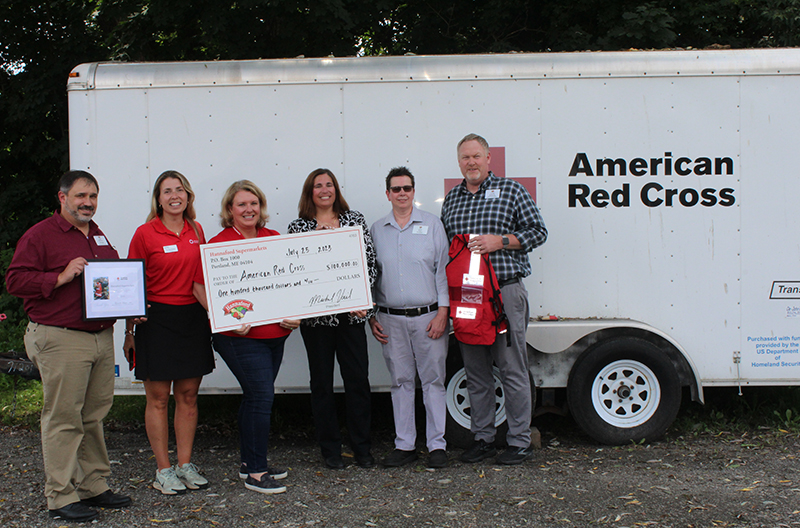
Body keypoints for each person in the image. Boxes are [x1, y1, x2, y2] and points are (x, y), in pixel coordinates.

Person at [6, 170, 132, 522]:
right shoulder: (41, 235)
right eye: (80, 196)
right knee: (63, 418)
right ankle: (60, 495)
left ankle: (93, 484)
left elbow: (114, 281)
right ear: (62, 198)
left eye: (92, 196)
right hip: (61, 336)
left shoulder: (98, 236)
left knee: (93, 415)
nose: (87, 202)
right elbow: (14, 280)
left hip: (99, 338)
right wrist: (59, 277)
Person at [440, 134, 548, 465]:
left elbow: (538, 231)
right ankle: (483, 438)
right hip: (469, 295)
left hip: (504, 291)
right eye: (464, 158)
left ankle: (519, 441)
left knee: (511, 368)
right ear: (458, 162)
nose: (471, 162)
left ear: (489, 158)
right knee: (475, 371)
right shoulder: (453, 199)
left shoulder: (513, 191)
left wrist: (501, 241)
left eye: (476, 156)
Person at [192, 180, 300, 494]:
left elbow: (289, 285)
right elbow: (199, 287)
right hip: (239, 338)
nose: (249, 209)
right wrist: (222, 317)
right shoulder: (219, 244)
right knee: (263, 397)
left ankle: (248, 462)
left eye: (253, 203)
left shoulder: (273, 238)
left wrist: (296, 315)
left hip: (275, 336)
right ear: (230, 210)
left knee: (255, 397)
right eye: (242, 204)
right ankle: (256, 472)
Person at [125, 170, 215, 495]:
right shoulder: (145, 233)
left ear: (188, 196)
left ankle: (185, 465)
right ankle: (163, 470)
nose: (174, 195)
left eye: (180, 190)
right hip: (155, 321)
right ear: (158, 198)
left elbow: (200, 280)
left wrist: (217, 315)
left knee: (188, 397)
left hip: (191, 319)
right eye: (167, 191)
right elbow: (130, 284)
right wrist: (129, 331)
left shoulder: (197, 230)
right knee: (159, 399)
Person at [287, 168, 377, 469]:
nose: (324, 190)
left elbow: (370, 264)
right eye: (317, 186)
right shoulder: (298, 228)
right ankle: (330, 450)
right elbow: (293, 274)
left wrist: (365, 304)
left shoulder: (354, 221)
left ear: (336, 189)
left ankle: (362, 447)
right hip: (316, 324)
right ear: (309, 192)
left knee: (358, 382)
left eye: (329, 185)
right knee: (322, 385)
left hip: (351, 319)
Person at [368, 167, 451, 469]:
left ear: (414, 192)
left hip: (429, 318)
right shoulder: (377, 230)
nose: (402, 193)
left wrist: (443, 312)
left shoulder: (432, 225)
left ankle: (437, 446)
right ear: (387, 193)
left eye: (407, 188)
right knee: (400, 382)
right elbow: (371, 276)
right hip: (390, 319)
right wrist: (371, 315)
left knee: (433, 382)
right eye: (396, 188)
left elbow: (442, 271)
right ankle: (404, 445)